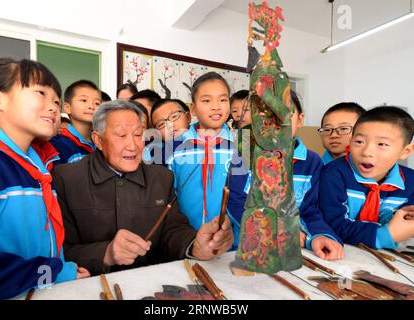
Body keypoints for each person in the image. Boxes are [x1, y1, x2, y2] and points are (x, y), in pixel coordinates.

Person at [52, 100, 234, 275]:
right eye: (122, 135)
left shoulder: (161, 178)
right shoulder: (67, 179)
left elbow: (173, 230)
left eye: (138, 134)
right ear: (98, 140)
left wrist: (196, 246)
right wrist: (105, 253)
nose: (132, 146)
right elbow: (59, 250)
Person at [0, 58, 89, 300]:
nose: (53, 107)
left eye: (56, 101)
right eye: (41, 93)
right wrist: (52, 273)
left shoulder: (38, 168)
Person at [227, 90, 344, 260]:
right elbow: (235, 201)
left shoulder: (312, 161)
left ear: (301, 119)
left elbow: (311, 210)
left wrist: (319, 235)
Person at [319, 106, 414, 249]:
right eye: (359, 142)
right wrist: (386, 235)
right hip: (343, 255)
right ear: (350, 142)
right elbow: (333, 226)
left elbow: (407, 225)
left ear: (405, 151)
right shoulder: (333, 174)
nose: (367, 152)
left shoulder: (411, 181)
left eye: (382, 144)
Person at [166, 72, 239, 243]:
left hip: (231, 244)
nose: (216, 106)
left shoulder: (241, 145)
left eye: (222, 100)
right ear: (193, 108)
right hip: (187, 242)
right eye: (206, 101)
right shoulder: (175, 147)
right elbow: (169, 196)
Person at [50, 80, 101, 165]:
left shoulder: (100, 143)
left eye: (97, 103)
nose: (91, 106)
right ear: (67, 107)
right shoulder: (59, 145)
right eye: (84, 100)